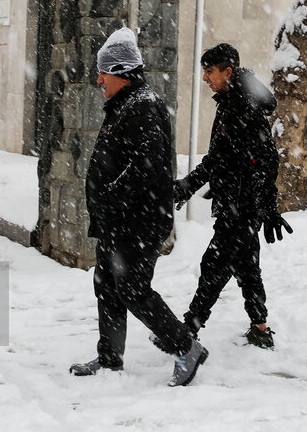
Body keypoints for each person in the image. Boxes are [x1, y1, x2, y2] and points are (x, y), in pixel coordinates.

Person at [71, 27, 208, 387]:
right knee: (107, 283)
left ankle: (185, 348)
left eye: (104, 72)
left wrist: (112, 197)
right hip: (118, 220)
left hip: (139, 220)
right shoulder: (124, 104)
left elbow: (147, 166)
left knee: (131, 288)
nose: (98, 79)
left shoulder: (143, 107)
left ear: (121, 73)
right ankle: (109, 358)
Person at [173, 43, 292, 349]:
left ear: (228, 71)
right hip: (237, 202)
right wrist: (192, 185)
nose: (204, 78)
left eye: (209, 71)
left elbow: (262, 160)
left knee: (214, 265)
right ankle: (260, 326)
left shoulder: (242, 105)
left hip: (241, 205)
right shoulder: (233, 101)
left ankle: (189, 330)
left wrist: (266, 205)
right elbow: (224, 157)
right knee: (247, 265)